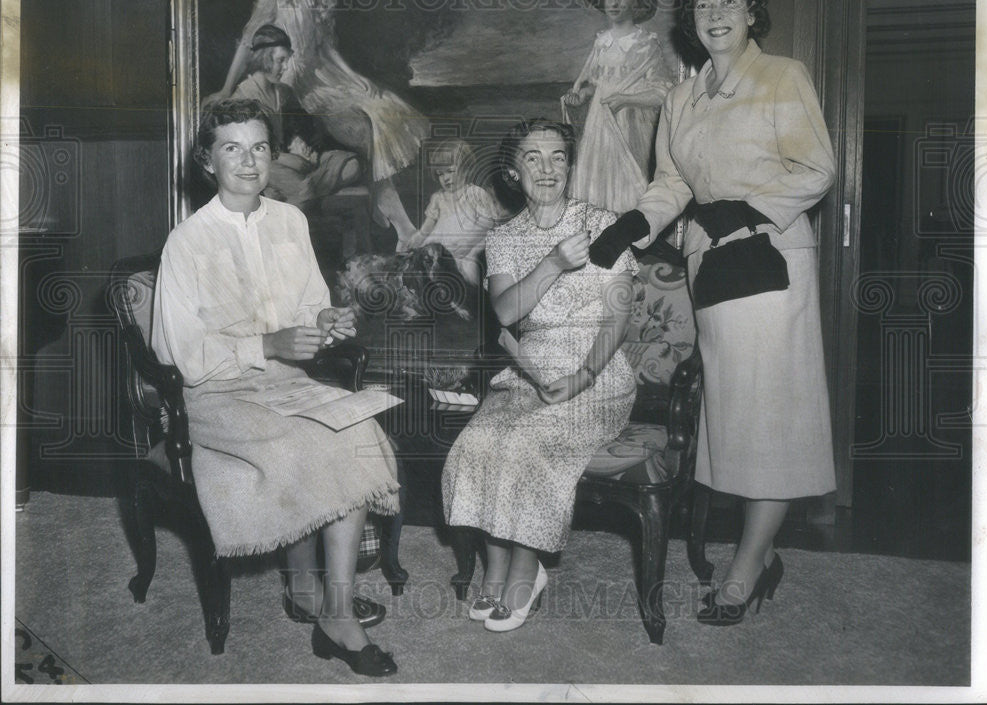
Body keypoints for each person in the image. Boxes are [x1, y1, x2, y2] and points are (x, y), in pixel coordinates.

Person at [590, 0, 837, 626]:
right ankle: (761, 553)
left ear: (753, 10)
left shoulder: (783, 76)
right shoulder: (682, 96)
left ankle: (747, 570)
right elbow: (671, 182)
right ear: (691, 20)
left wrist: (746, 209)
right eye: (704, 4)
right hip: (712, 270)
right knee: (733, 423)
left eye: (731, 0)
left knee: (771, 426)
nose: (718, 12)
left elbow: (817, 166)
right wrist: (632, 226)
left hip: (769, 264)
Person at [151, 99, 400, 676]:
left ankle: (328, 604)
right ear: (207, 161)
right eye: (231, 148)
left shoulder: (290, 222)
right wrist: (266, 345)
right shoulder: (186, 242)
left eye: (260, 147)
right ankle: (321, 602)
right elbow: (177, 353)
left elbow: (310, 306)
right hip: (217, 397)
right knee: (305, 444)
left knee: (358, 429)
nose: (248, 160)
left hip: (286, 384)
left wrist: (326, 323)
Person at [441, 119, 638, 632]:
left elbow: (619, 315)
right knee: (481, 438)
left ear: (571, 166)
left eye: (557, 157)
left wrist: (584, 376)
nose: (547, 169)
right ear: (513, 171)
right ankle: (496, 566)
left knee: (528, 439)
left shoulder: (604, 223)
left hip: (598, 370)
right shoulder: (503, 239)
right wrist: (552, 261)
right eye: (533, 158)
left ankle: (528, 568)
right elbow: (506, 314)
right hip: (527, 369)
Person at [206, 0, 429, 248]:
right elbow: (247, 40)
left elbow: (326, 48)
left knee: (382, 106)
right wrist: (226, 88)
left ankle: (394, 218)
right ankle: (399, 223)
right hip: (295, 81)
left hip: (323, 72)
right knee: (366, 128)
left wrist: (356, 79)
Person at [563, 0, 672, 213]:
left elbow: (663, 91)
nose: (614, 2)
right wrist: (581, 96)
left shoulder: (646, 44)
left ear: (636, 1)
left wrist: (626, 99)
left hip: (630, 125)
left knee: (628, 187)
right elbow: (596, 84)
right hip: (599, 126)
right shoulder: (602, 42)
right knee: (596, 184)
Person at [232, 23, 361, 207]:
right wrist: (285, 158)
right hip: (262, 165)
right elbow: (243, 150)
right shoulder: (243, 97)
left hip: (290, 160)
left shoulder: (285, 93)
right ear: (264, 58)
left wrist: (303, 148)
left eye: (287, 60)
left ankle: (283, 196)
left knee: (351, 165)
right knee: (296, 185)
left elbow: (300, 130)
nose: (285, 67)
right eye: (280, 60)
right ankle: (298, 194)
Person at [402, 138, 508, 284]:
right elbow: (428, 225)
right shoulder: (438, 198)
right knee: (424, 260)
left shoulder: (474, 193)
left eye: (450, 171)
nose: (445, 178)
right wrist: (418, 237)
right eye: (440, 174)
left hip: (471, 239)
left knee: (470, 264)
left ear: (467, 168)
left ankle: (470, 293)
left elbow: (486, 222)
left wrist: (467, 242)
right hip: (441, 241)